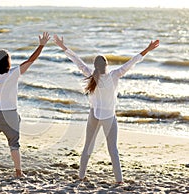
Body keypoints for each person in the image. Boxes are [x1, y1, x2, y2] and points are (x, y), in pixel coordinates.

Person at [53, 34, 159, 183]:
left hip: (94, 115)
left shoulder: (91, 75)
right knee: (113, 150)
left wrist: (63, 47)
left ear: (95, 66)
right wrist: (147, 49)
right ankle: (119, 181)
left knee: (87, 147)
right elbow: (132, 62)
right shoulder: (115, 75)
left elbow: (77, 61)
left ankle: (81, 176)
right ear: (106, 65)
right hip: (109, 117)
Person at [0, 31, 50, 177]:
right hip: (11, 115)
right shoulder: (13, 73)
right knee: (14, 145)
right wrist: (41, 46)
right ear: (8, 62)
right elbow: (30, 60)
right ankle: (18, 172)